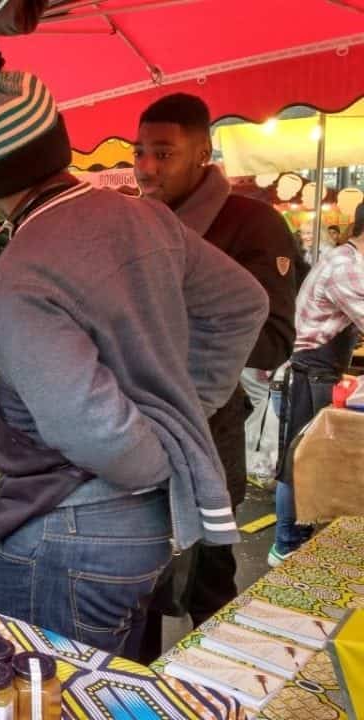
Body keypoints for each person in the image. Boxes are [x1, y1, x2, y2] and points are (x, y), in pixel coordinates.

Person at [0, 40, 267, 658]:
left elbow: (95, 432)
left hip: (70, 532)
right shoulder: (143, 217)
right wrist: (182, 412)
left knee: (52, 696)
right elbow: (241, 305)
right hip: (148, 528)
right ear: (58, 141)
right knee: (116, 688)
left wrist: (159, 441)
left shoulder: (18, 278)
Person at [132, 93, 298, 658]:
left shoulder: (251, 223)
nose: (147, 167)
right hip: (134, 431)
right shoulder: (132, 222)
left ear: (203, 152)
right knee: (139, 591)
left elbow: (274, 340)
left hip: (208, 433)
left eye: (164, 153)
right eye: (140, 151)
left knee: (208, 592)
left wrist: (175, 308)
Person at [270, 203, 364, 565]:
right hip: (310, 373)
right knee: (301, 461)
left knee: (303, 458)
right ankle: (288, 544)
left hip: (317, 371)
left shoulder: (345, 258)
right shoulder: (346, 267)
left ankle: (295, 539)